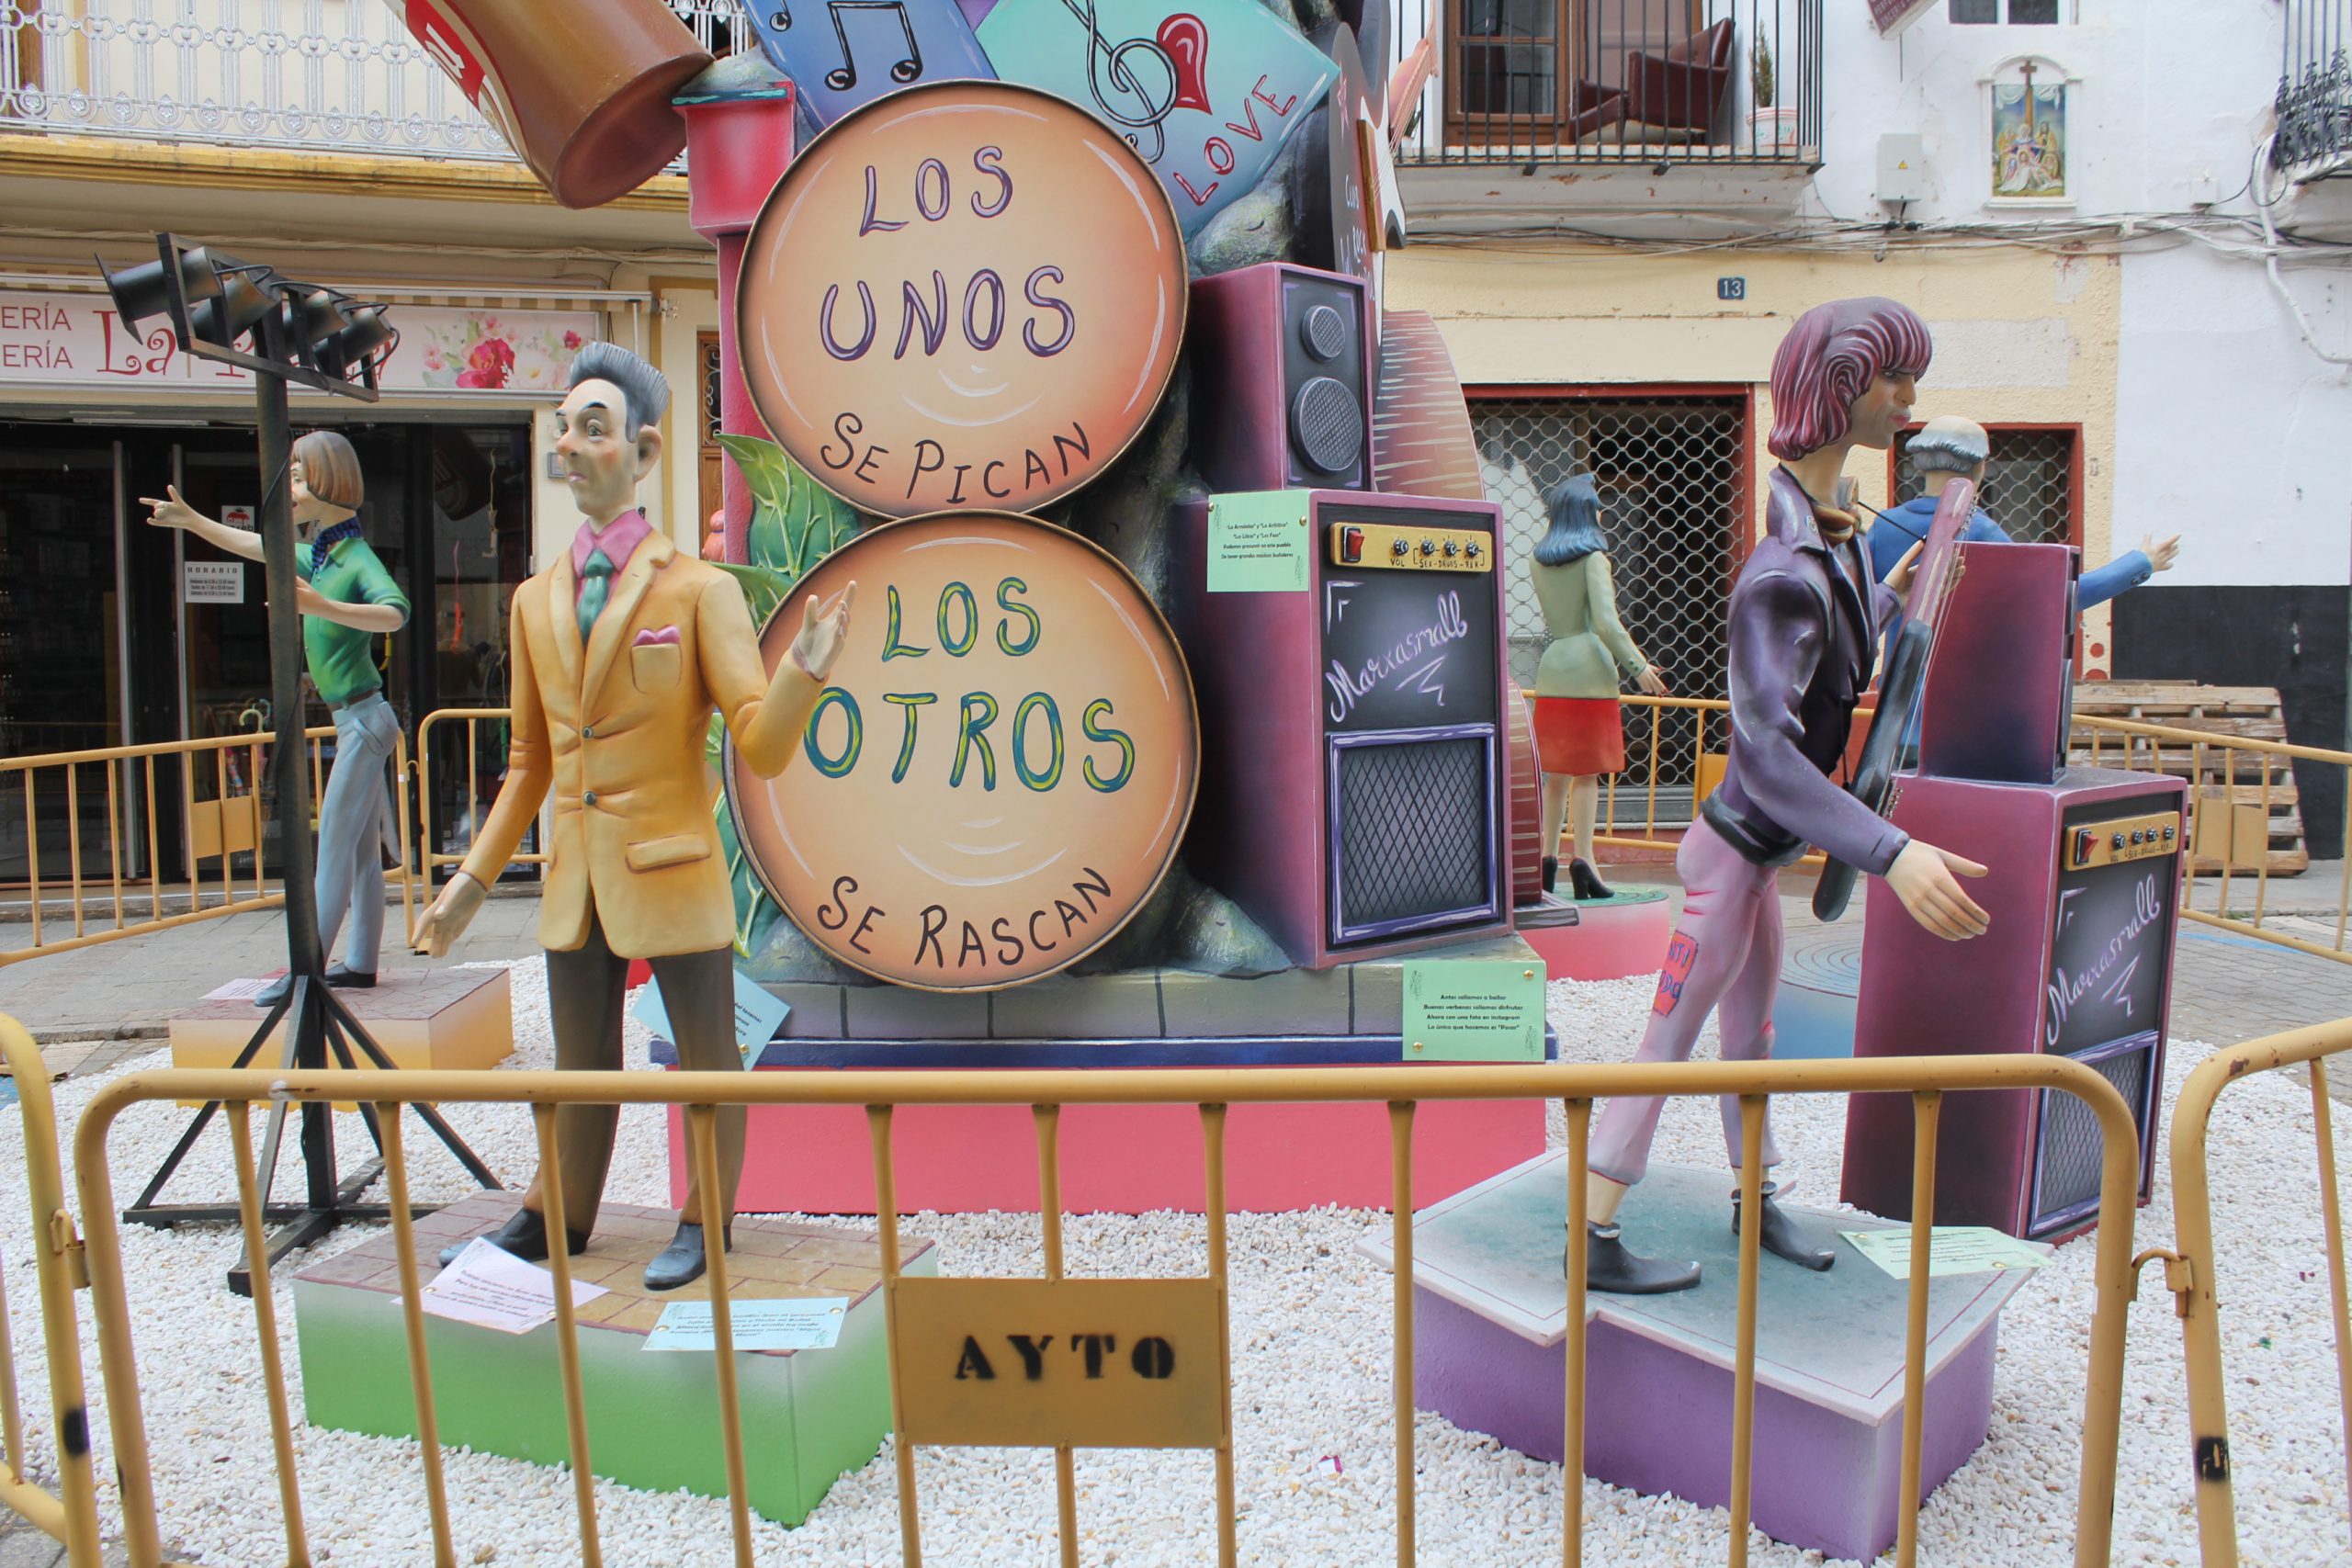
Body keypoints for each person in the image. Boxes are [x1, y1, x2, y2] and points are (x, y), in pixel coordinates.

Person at [413, 342, 855, 1292]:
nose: (570, 446)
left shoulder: (698, 590)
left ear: (645, 451)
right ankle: (557, 1214)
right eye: (563, 429)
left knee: (707, 1058)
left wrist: (803, 672)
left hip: (672, 865)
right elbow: (528, 764)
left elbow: (759, 743)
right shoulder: (532, 601)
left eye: (594, 428)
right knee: (579, 1062)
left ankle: (705, 1216)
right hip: (576, 879)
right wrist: (470, 883)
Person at [1580, 298, 1994, 1294]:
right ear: (1840, 387)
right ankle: (1590, 1232)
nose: (1909, 397)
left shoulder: (1835, 541)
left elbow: (1839, 654)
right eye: (1893, 377)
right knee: (1667, 1042)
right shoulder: (1781, 574)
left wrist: (1891, 594)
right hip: (1731, 858)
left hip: (1762, 861)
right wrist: (1890, 852)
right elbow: (1765, 754)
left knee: (1750, 1039)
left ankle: (1755, 1198)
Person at [144, 433, 409, 1007]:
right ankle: (360, 963)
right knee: (361, 854)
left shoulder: (354, 558)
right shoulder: (323, 554)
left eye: (298, 474)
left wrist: (322, 606)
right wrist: (192, 520)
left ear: (330, 481)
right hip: (360, 720)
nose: (289, 485)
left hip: (363, 722)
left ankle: (307, 971)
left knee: (334, 849)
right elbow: (261, 546)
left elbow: (394, 613)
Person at [1866, 414, 2180, 755]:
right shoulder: (1983, 532)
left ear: (1921, 463)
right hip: (1964, 720)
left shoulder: (1883, 527)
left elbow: (1863, 610)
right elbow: (2056, 595)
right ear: (1981, 467)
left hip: (1894, 717)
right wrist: (2141, 563)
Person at [1526, 473, 1668, 900]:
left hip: (1553, 668)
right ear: (1586, 513)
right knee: (1587, 775)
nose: (1603, 514)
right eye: (1598, 508)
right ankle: (1584, 860)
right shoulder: (1593, 559)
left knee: (1556, 774)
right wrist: (1638, 666)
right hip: (1589, 670)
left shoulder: (1538, 561)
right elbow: (1607, 622)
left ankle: (1546, 859)